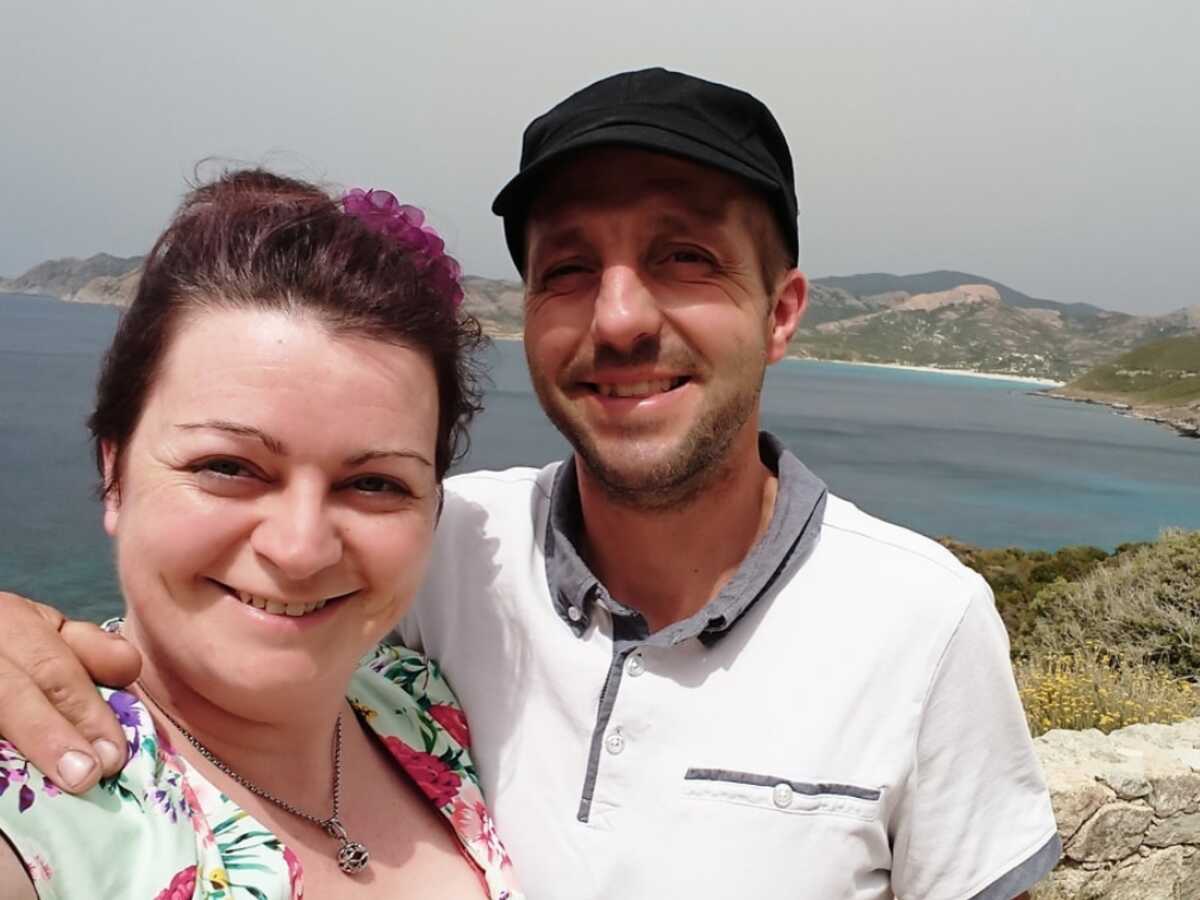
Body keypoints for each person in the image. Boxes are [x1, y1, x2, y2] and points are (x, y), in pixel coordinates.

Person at [0, 69, 1059, 898]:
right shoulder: (444, 547)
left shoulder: (924, 620)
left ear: (782, 311)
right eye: (566, 270)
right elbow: (209, 631)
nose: (621, 319)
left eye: (686, 256)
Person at [0, 171, 521, 899]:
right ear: (114, 475)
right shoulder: (45, 794)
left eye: (375, 484)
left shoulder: (425, 706)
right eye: (228, 466)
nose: (301, 548)